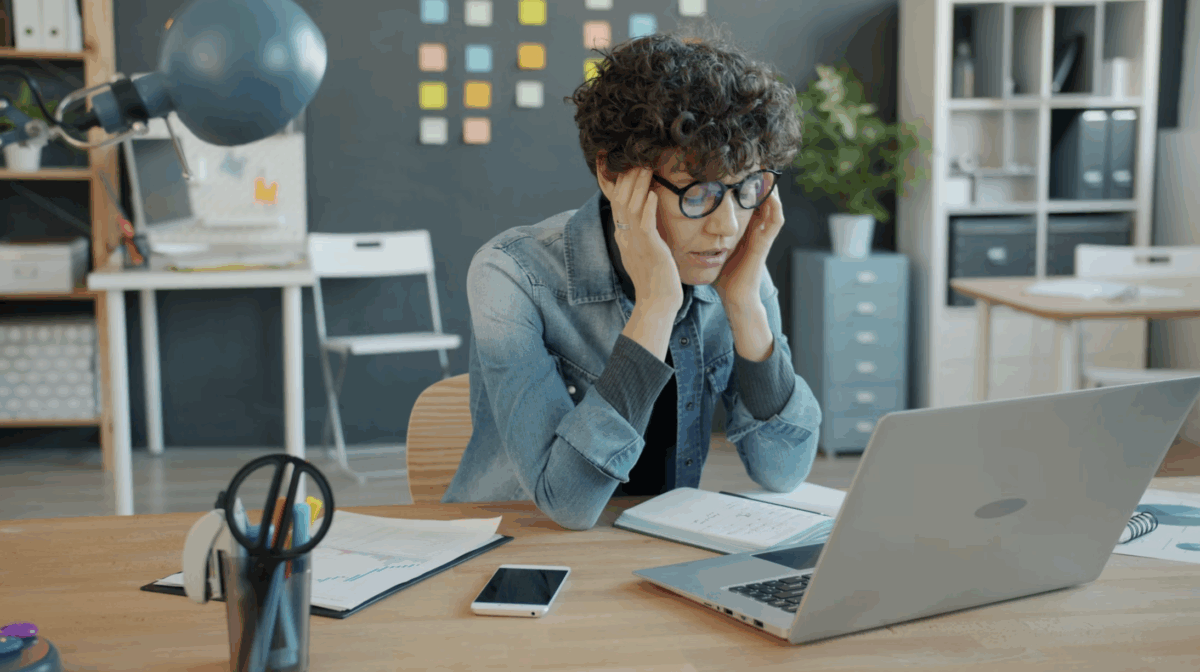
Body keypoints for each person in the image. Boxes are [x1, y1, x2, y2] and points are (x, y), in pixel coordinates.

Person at [442, 29, 822, 530]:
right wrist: (655, 308)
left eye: (746, 187)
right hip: (516, 550)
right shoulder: (513, 275)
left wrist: (746, 304)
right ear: (614, 175)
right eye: (698, 193)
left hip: (652, 550)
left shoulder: (730, 267)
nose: (727, 226)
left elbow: (783, 470)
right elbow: (568, 504)